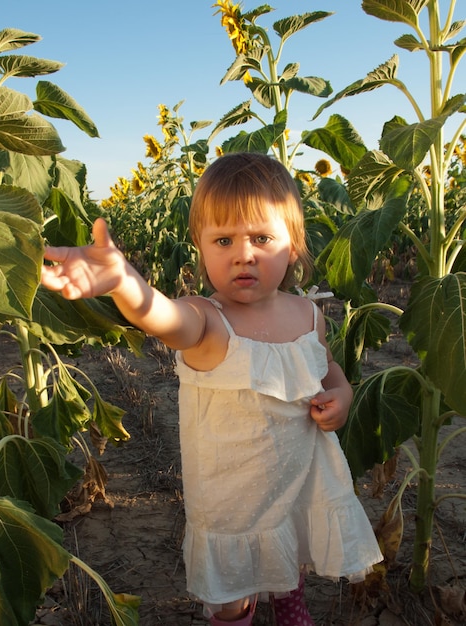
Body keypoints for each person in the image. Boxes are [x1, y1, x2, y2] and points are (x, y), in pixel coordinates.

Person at [41, 152, 382, 625]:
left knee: (291, 546)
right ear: (200, 249)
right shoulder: (207, 321)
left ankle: (289, 602)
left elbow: (327, 371)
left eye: (262, 238)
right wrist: (124, 282)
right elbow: (163, 317)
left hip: (298, 477)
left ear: (294, 244)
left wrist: (341, 397)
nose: (244, 254)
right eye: (223, 240)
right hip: (233, 500)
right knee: (234, 598)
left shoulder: (307, 315)